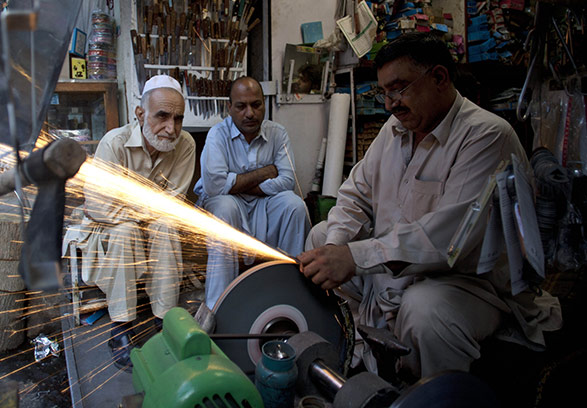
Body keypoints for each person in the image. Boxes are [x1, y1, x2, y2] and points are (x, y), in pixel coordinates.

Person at [298, 33, 561, 380]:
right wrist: (335, 249)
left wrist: (354, 257)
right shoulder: (396, 129)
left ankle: (433, 393)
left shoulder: (486, 136)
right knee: (320, 239)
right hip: (400, 272)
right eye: (384, 92)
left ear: (439, 78)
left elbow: (448, 239)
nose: (390, 103)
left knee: (425, 310)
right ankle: (364, 359)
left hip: (470, 284)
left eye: (399, 88)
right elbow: (355, 193)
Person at [75, 74, 195, 370]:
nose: (171, 128)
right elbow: (100, 206)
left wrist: (133, 207)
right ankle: (121, 329)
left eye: (178, 118)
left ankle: (163, 322)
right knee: (126, 231)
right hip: (112, 231)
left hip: (153, 228)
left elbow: (174, 205)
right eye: (162, 116)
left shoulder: (186, 144)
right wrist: (150, 209)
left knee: (165, 227)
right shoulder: (114, 144)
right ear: (140, 114)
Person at [195, 76, 310, 309]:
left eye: (256, 105)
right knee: (225, 207)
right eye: (241, 106)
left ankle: (290, 292)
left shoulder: (278, 133)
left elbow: (287, 181)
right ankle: (218, 306)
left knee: (294, 205)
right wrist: (264, 173)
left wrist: (237, 182)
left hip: (263, 203)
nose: (250, 113)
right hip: (226, 203)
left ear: (264, 104)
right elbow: (214, 187)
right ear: (229, 108)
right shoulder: (217, 135)